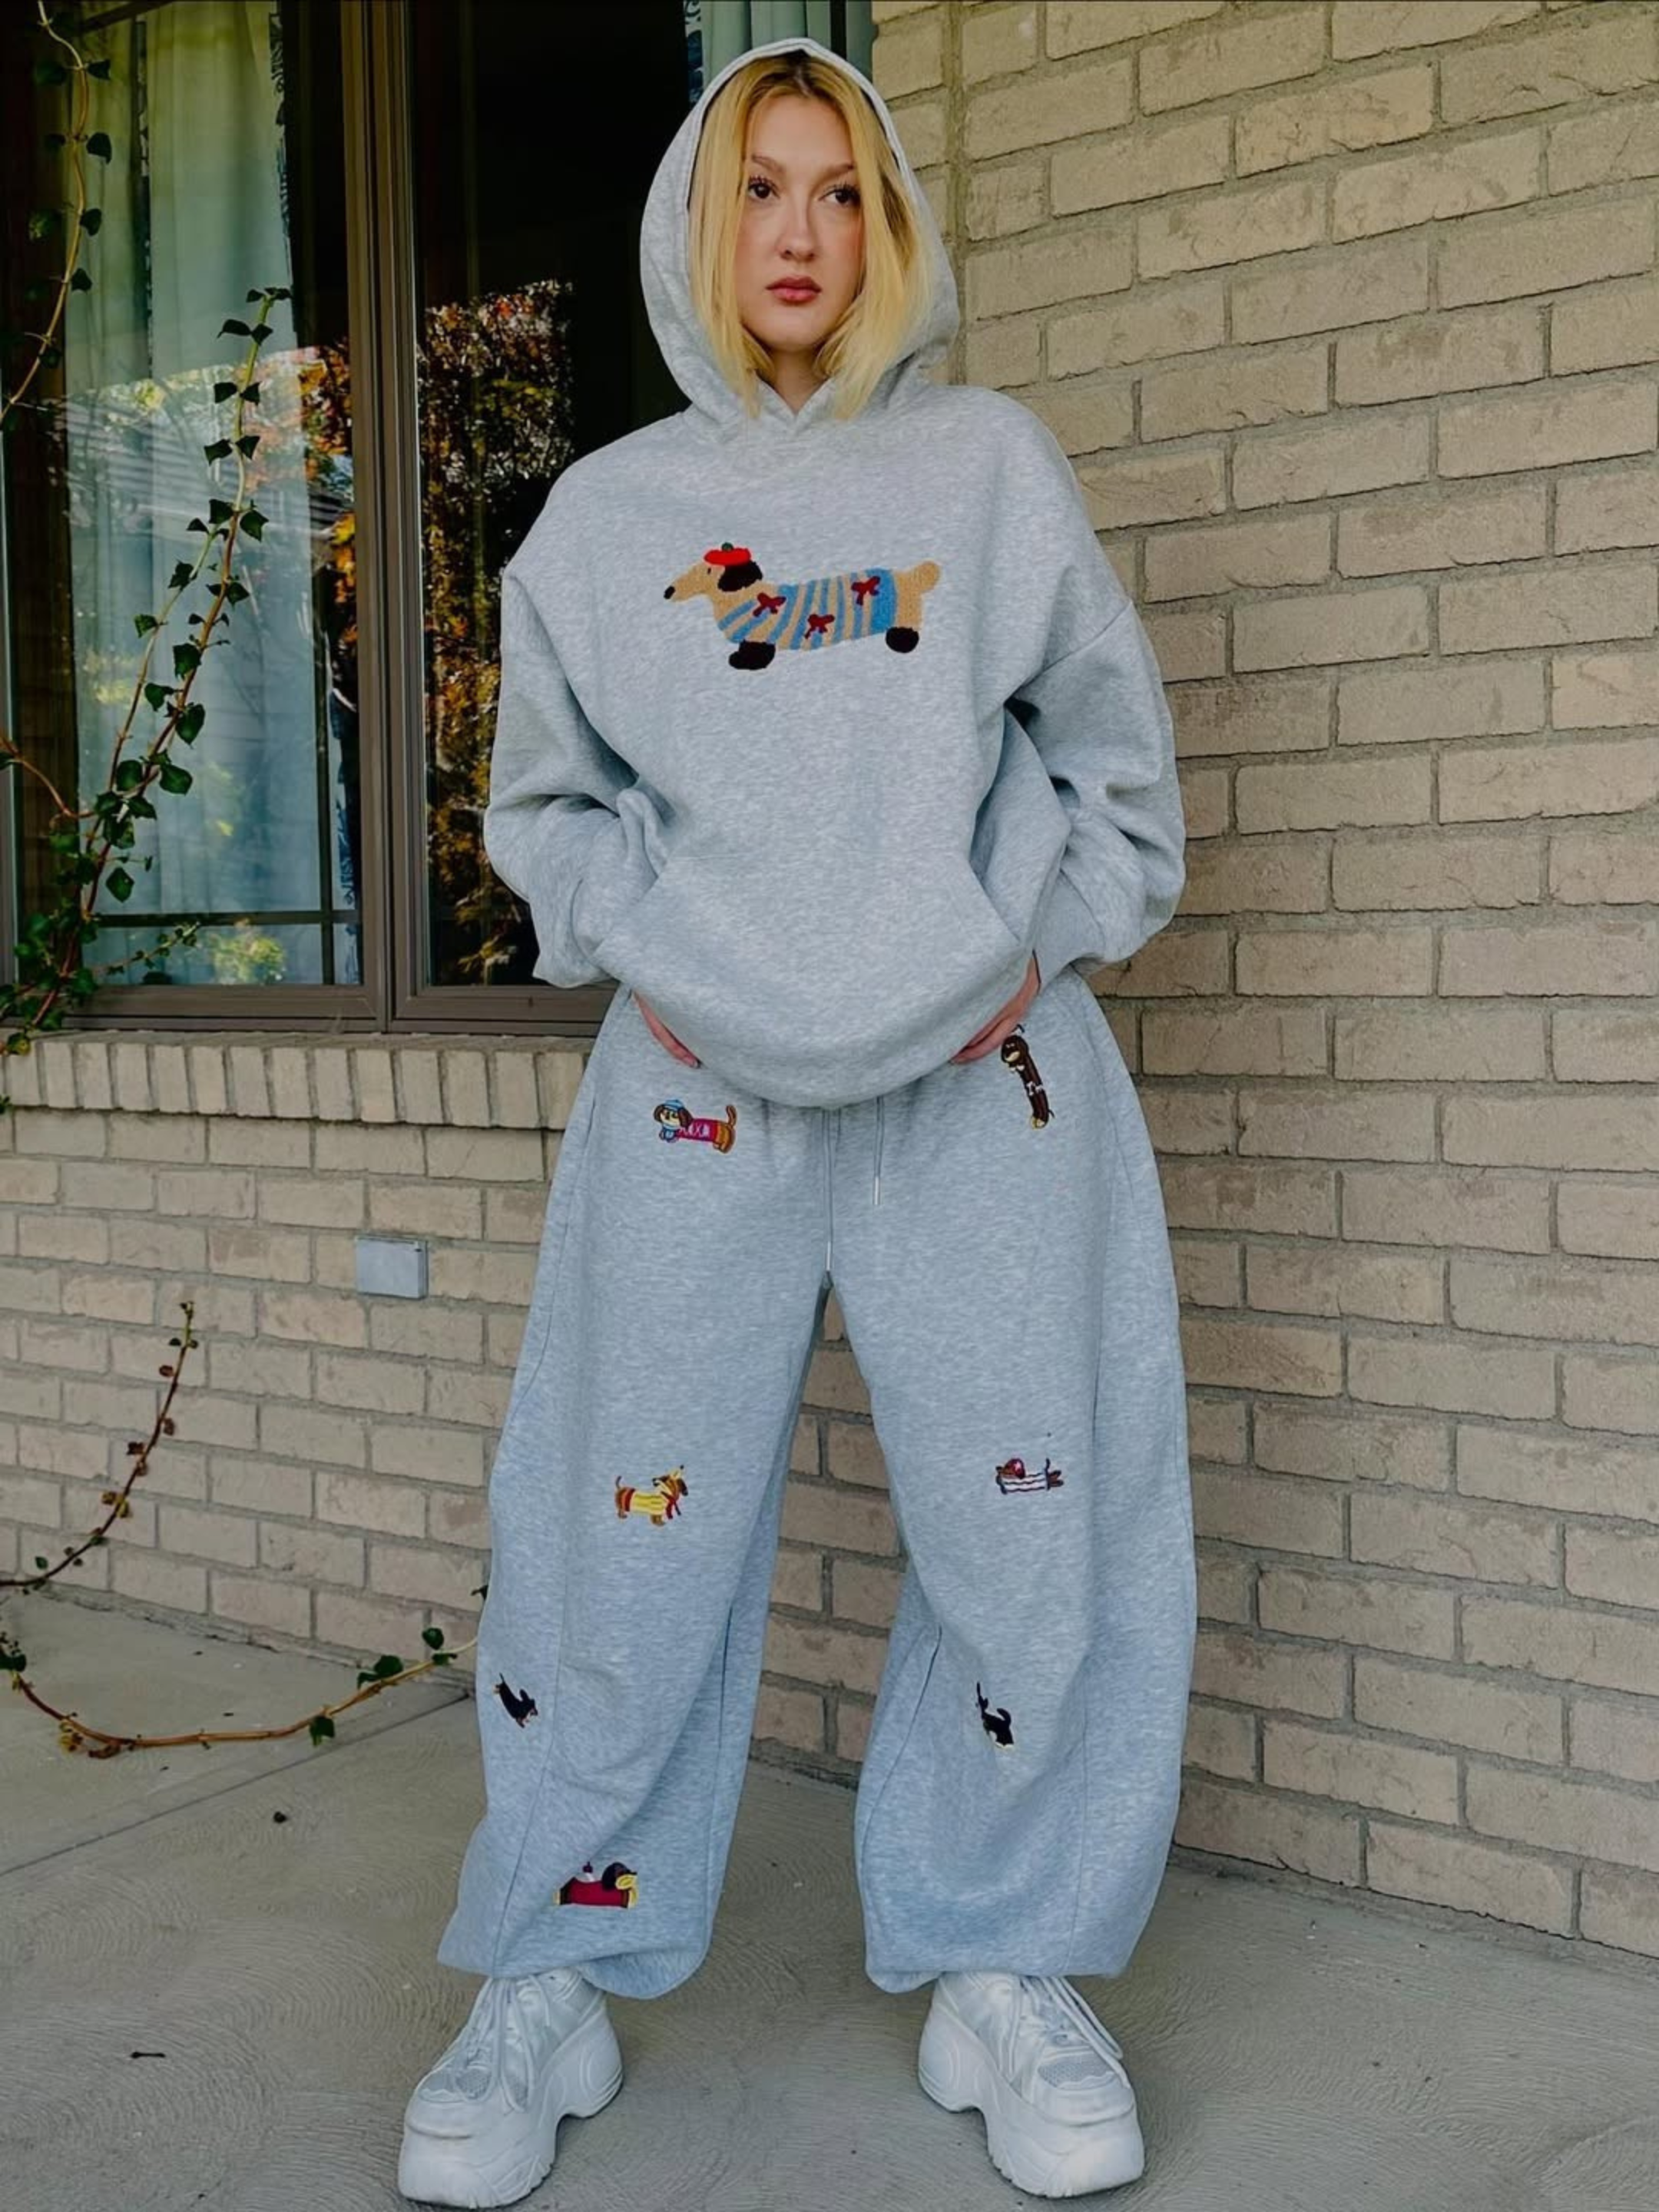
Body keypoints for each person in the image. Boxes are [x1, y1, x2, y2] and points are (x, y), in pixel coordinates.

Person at [398, 33, 1195, 2207]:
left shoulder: (990, 473)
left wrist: (1019, 950)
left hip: (982, 1084)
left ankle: (1004, 1960)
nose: (803, 233)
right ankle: (554, 1965)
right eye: (762, 186)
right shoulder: (607, 520)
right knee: (611, 1534)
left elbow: (1120, 786)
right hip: (694, 1098)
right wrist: (658, 952)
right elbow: (545, 812)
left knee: (1034, 1532)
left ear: (890, 226)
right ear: (697, 216)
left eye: (844, 192)